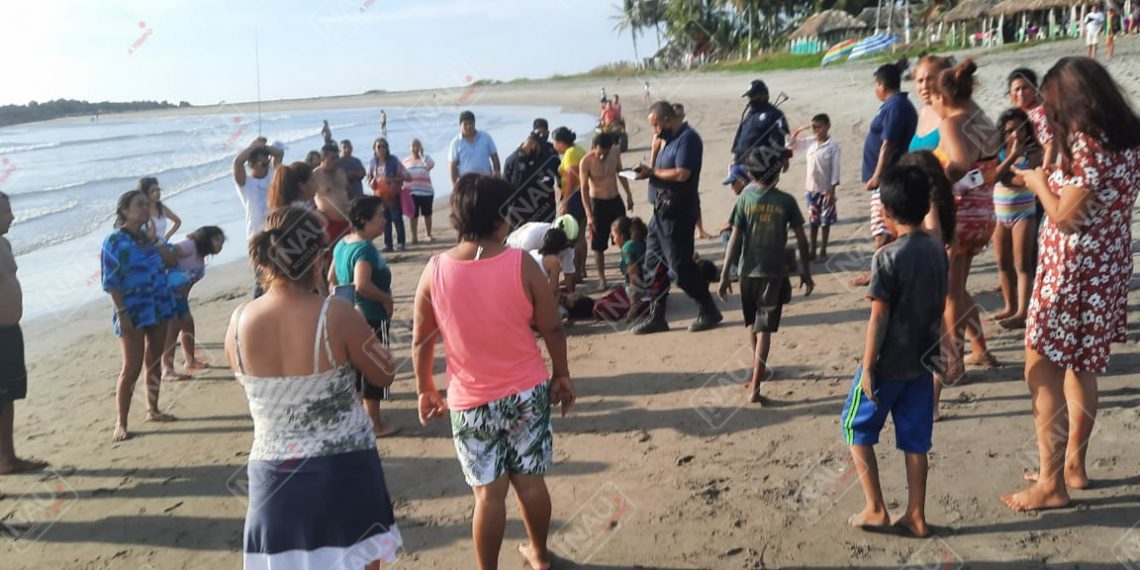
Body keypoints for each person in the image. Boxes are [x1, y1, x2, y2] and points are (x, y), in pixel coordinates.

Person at [412, 174, 574, 570]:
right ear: (503, 219)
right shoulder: (522, 264)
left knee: (488, 496)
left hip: (470, 401)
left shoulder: (434, 271)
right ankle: (538, 553)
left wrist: (424, 388)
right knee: (531, 483)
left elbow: (421, 340)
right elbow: (551, 325)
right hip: (526, 393)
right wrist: (562, 374)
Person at [225, 206, 401, 568]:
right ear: (319, 257)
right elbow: (384, 373)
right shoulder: (336, 314)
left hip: (272, 474)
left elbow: (246, 378)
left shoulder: (239, 320)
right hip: (343, 468)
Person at [1003, 57, 1140, 512]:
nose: (1051, 112)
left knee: (1040, 367)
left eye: (1054, 103)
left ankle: (1051, 483)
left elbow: (1065, 215)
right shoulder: (1124, 134)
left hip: (1074, 268)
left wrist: (1040, 181)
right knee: (1082, 365)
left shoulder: (1089, 143)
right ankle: (1071, 468)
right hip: (1106, 264)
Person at [841, 165, 946, 539]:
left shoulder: (886, 257)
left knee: (856, 427)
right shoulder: (937, 249)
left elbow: (878, 319)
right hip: (923, 361)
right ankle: (916, 514)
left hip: (887, 363)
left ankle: (876, 508)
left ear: (885, 211)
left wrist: (868, 367)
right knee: (915, 440)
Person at [718, 144, 814, 404]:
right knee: (765, 330)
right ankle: (756, 387)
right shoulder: (786, 201)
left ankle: (756, 368)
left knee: (752, 324)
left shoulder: (745, 200)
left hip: (747, 271)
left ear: (751, 175)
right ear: (777, 173)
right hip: (773, 274)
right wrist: (805, 271)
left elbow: (734, 239)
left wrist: (726, 273)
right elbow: (802, 240)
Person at [931, 59, 1000, 379]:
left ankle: (953, 365)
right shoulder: (983, 118)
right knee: (957, 289)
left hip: (959, 214)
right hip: (984, 213)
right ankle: (979, 349)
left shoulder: (952, 122)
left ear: (943, 97)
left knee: (948, 295)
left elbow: (959, 163)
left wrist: (935, 177)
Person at [633, 101, 723, 334]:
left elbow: (682, 174)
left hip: (679, 213)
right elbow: (659, 170)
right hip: (660, 213)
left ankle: (709, 310)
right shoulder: (666, 141)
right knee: (652, 265)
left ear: (666, 119)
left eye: (655, 125)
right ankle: (657, 317)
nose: (654, 131)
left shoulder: (688, 139)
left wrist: (651, 172)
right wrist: (648, 169)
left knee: (680, 268)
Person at [102, 190, 179, 442]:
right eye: (139, 205)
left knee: (154, 361)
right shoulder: (114, 241)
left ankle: (153, 410)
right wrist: (121, 312)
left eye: (147, 205)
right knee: (131, 367)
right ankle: (121, 422)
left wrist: (155, 241)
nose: (145, 208)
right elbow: (110, 281)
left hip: (159, 305)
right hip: (132, 310)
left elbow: (170, 262)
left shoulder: (149, 239)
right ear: (124, 210)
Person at [329, 196, 400, 438]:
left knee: (356, 369)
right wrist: (385, 299)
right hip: (371, 316)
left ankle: (361, 419)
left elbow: (332, 278)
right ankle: (375, 424)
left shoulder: (342, 245)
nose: (384, 220)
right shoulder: (365, 249)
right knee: (374, 368)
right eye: (379, 216)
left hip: (351, 315)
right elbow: (362, 284)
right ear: (363, 220)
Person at [854, 59, 918, 287]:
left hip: (889, 175)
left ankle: (877, 274)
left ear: (882, 85)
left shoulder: (895, 107)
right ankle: (884, 271)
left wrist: (877, 175)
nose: (875, 90)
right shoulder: (896, 105)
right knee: (886, 224)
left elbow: (887, 144)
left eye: (875, 85)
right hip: (889, 173)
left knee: (882, 225)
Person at [0, 192, 48, 474]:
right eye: (6, 211)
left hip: (10, 333)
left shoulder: (3, 243)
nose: (13, 216)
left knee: (8, 396)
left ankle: (7, 458)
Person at [992, 108, 1041, 331]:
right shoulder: (1000, 151)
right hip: (999, 213)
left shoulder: (1034, 151)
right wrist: (1011, 158)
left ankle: (1023, 311)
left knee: (1022, 264)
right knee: (1003, 263)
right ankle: (1009, 306)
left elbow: (1027, 181)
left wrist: (1011, 174)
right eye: (1010, 130)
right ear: (1003, 132)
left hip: (1024, 213)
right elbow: (995, 176)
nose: (1015, 135)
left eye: (1020, 129)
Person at [160, 226, 225, 382]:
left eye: (222, 242)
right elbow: (164, 255)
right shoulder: (189, 245)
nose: (220, 245)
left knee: (188, 324)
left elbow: (188, 283)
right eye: (217, 240)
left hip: (180, 297)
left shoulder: (200, 255)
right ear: (205, 238)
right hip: (166, 294)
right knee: (172, 328)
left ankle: (190, 360)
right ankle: (167, 370)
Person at [580, 132, 634, 291]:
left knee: (626, 239)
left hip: (615, 200)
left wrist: (629, 195)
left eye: (607, 152)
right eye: (601, 152)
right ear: (594, 147)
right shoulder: (586, 161)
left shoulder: (615, 152)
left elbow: (620, 173)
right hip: (597, 203)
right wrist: (588, 213)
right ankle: (602, 279)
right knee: (598, 245)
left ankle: (630, 273)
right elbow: (583, 188)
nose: (604, 155)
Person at [791, 113, 840, 261]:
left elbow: (835, 169)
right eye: (814, 129)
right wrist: (798, 130)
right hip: (811, 190)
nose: (817, 132)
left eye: (819, 128)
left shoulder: (833, 146)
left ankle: (823, 249)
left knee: (825, 222)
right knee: (813, 222)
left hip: (826, 190)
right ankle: (812, 249)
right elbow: (791, 145)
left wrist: (831, 191)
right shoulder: (810, 142)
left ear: (827, 127)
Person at [233, 137, 282, 256]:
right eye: (263, 164)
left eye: (268, 163)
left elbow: (279, 153)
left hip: (277, 233)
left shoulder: (272, 174)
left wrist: (262, 147)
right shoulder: (245, 183)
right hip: (256, 236)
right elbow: (238, 162)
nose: (267, 166)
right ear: (251, 164)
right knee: (260, 272)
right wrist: (254, 146)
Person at [506, 215, 580, 293]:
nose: (567, 248)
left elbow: (569, 273)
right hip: (513, 250)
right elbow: (522, 274)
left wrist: (571, 296)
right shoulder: (529, 240)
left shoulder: (567, 245)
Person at [553, 127, 588, 282]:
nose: (554, 145)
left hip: (574, 197)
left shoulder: (570, 154)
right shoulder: (579, 149)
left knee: (572, 238)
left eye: (555, 142)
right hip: (583, 195)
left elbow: (572, 178)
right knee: (580, 235)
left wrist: (565, 201)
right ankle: (581, 269)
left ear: (561, 143)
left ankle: (576, 273)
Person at [730, 80, 790, 168]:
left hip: (760, 164)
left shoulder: (774, 114)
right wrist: (736, 156)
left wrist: (782, 157)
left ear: (763, 95)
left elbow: (778, 139)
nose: (750, 99)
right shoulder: (750, 113)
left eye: (753, 96)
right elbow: (741, 134)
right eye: (749, 96)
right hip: (741, 161)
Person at [503, 133, 558, 227]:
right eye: (539, 149)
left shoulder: (525, 158)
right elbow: (519, 185)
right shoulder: (516, 160)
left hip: (528, 206)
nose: (539, 152)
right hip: (521, 207)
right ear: (534, 145)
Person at [366, 138, 411, 252]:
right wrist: (372, 182)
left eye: (383, 146)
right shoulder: (372, 163)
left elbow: (407, 176)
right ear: (374, 149)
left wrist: (391, 179)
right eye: (378, 146)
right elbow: (368, 178)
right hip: (379, 197)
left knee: (397, 218)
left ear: (387, 148)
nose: (381, 149)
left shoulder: (393, 160)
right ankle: (388, 244)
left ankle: (401, 243)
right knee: (384, 220)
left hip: (392, 195)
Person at [909, 55, 954, 153]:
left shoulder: (953, 113)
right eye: (920, 81)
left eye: (930, 79)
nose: (924, 86)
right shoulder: (923, 111)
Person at [314, 143, 353, 249]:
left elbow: (349, 192)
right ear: (323, 158)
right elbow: (306, 199)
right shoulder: (315, 175)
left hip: (345, 221)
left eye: (337, 158)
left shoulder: (341, 172)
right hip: (328, 223)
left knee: (347, 250)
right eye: (332, 158)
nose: (336, 161)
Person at [717, 164, 751, 281]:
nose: (731, 187)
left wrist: (727, 226)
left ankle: (735, 271)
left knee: (726, 235)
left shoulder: (745, 197)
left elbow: (735, 223)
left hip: (756, 237)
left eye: (733, 183)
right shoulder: (756, 189)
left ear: (741, 181)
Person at [449, 110, 500, 187]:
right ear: (460, 125)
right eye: (465, 124)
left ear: (474, 123)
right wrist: (454, 187)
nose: (468, 126)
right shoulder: (455, 143)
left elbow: (495, 158)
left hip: (485, 181)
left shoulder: (485, 137)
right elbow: (452, 167)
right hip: (466, 184)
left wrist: (496, 175)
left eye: (471, 123)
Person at [612, 216, 648, 317]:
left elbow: (634, 277)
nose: (613, 240)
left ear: (621, 236)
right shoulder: (641, 242)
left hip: (642, 297)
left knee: (599, 307)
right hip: (653, 290)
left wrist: (633, 307)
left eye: (614, 236)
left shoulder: (627, 248)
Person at [403, 139, 436, 244]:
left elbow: (430, 165)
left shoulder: (426, 158)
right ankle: (414, 237)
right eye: (413, 146)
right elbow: (402, 174)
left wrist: (422, 156)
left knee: (427, 214)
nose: (415, 148)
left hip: (426, 191)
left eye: (417, 145)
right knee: (413, 215)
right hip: (412, 192)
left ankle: (428, 234)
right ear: (409, 148)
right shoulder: (406, 161)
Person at [137, 177, 180, 243]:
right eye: (153, 191)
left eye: (158, 190)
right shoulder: (140, 211)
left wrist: (167, 237)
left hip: (162, 245)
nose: (157, 193)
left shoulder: (161, 207)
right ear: (145, 194)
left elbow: (177, 221)